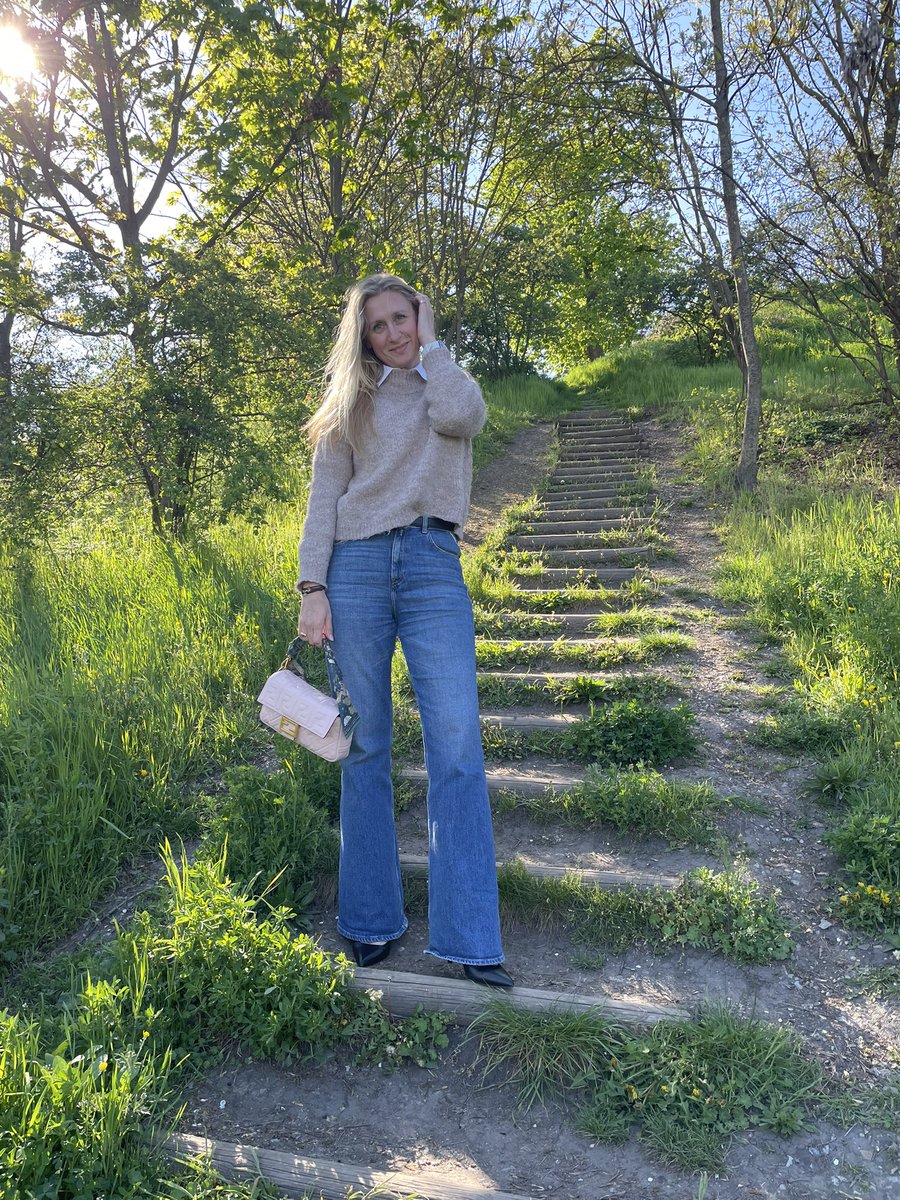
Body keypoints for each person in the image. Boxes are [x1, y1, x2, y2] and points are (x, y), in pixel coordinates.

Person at [296, 272, 513, 989]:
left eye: (402, 317)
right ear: (362, 337)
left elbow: (463, 418)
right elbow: (324, 499)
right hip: (355, 568)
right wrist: (313, 588)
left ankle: (471, 935)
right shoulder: (348, 405)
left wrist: (434, 347)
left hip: (431, 563)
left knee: (456, 745)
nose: (392, 333)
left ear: (421, 317)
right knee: (365, 745)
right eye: (378, 325)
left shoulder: (446, 383)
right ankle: (368, 920)